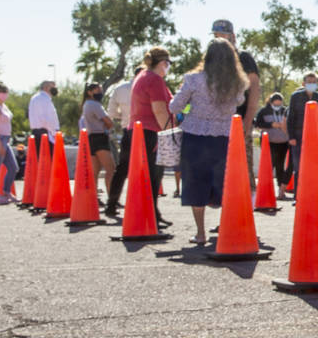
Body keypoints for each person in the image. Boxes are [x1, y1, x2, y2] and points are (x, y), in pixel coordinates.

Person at [168, 39, 249, 244]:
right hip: (224, 138)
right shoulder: (237, 83)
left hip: (195, 137)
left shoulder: (193, 80)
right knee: (224, 184)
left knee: (196, 184)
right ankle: (226, 228)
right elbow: (240, 102)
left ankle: (201, 233)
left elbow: (174, 107)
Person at [105, 47, 173, 226]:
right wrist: (170, 132)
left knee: (126, 170)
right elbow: (159, 109)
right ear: (163, 63)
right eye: (168, 63)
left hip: (134, 131)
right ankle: (150, 215)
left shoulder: (141, 77)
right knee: (153, 175)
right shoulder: (155, 80)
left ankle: (144, 212)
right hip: (150, 132)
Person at [211, 20, 261, 183]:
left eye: (223, 36)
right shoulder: (212, 61)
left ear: (232, 36)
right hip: (216, 123)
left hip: (239, 121)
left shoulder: (243, 58)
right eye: (216, 36)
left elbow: (254, 90)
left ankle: (247, 205)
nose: (220, 39)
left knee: (243, 171)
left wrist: (247, 121)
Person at [286, 73, 318, 186]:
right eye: (309, 82)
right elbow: (290, 118)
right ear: (303, 83)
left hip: (315, 137)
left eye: (314, 82)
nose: (312, 84)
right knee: (299, 167)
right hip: (298, 136)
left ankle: (314, 194)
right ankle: (298, 197)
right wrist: (291, 137)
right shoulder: (295, 96)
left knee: (315, 166)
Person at [80, 83, 115, 199]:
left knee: (95, 171)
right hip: (100, 137)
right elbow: (108, 122)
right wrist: (109, 126)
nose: (100, 92)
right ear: (89, 92)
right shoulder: (95, 105)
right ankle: (112, 198)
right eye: (97, 90)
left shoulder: (86, 104)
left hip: (91, 138)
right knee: (110, 169)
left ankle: (93, 198)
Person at [254, 93, 292, 199]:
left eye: (279, 104)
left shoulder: (285, 110)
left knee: (280, 166)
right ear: (270, 102)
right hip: (269, 142)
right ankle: (264, 191)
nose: (277, 106)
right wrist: (271, 125)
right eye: (275, 104)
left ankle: (281, 191)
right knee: (269, 166)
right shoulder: (263, 111)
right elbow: (257, 124)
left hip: (284, 142)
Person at [0, 84, 19, 205]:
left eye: (5, 91)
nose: (3, 93)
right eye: (0, 91)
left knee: (13, 167)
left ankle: (7, 191)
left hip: (6, 139)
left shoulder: (4, 106)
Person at [27, 80, 59, 155]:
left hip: (37, 133)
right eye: (52, 86)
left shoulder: (35, 98)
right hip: (45, 135)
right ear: (46, 87)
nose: (54, 89)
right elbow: (46, 119)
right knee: (47, 162)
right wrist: (54, 133)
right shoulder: (44, 99)